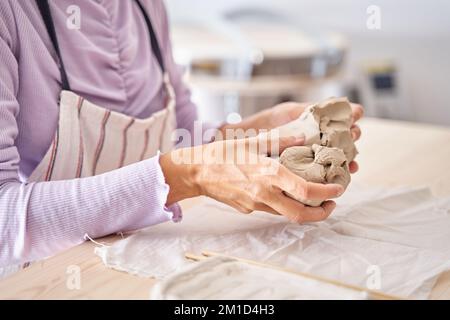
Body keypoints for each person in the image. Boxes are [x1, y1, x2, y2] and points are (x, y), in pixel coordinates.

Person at [0, 0, 363, 269]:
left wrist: (260, 132)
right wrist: (191, 174)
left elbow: (179, 137)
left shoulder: (144, 6)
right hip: (47, 280)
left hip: (138, 268)